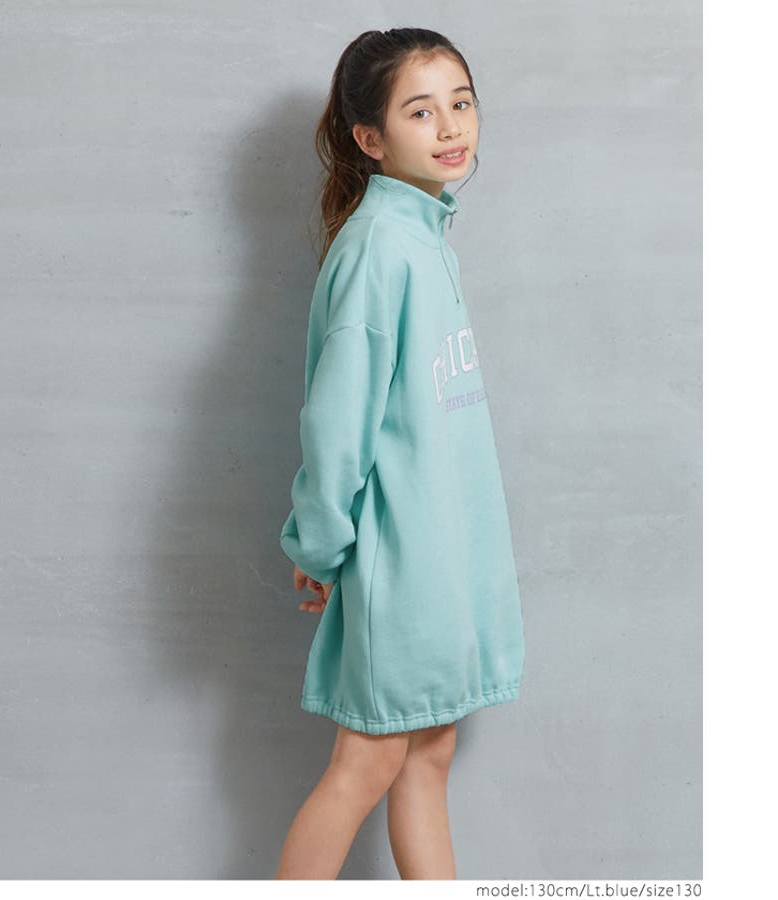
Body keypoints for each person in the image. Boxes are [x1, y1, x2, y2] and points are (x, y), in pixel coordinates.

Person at [276, 27, 526, 879]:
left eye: (462, 102)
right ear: (370, 139)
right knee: (368, 761)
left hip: (442, 555)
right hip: (401, 558)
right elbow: (337, 424)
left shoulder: (423, 237)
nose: (451, 126)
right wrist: (319, 545)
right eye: (421, 111)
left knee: (429, 752)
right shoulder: (379, 249)